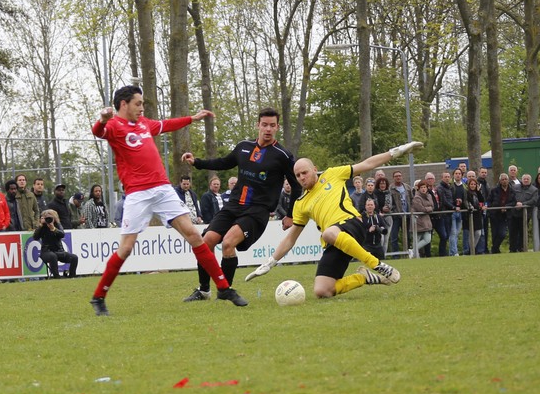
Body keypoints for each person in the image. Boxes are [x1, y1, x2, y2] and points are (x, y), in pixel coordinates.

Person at [88, 84, 246, 315]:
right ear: (123, 104)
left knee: (194, 235)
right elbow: (98, 132)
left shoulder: (144, 123)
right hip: (138, 194)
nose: (142, 108)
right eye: (138, 104)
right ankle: (98, 297)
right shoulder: (113, 125)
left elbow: (168, 124)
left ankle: (223, 288)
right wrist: (102, 119)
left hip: (162, 189)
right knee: (126, 248)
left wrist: (193, 118)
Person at [245, 145, 420, 300]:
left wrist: (395, 152)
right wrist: (270, 262)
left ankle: (377, 265)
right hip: (334, 240)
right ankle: (364, 277)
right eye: (298, 175)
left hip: (352, 224)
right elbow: (291, 238)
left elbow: (367, 164)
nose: (301, 178)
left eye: (304, 173)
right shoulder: (300, 204)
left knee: (328, 233)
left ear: (314, 169)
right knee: (322, 290)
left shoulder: (332, 174)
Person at [179, 107, 299, 302]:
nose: (268, 129)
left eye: (272, 125)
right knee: (206, 241)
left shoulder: (282, 155)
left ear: (277, 127)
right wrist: (197, 162)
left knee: (228, 243)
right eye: (264, 125)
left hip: (257, 211)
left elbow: (296, 185)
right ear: (258, 125)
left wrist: (291, 214)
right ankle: (204, 290)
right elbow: (223, 162)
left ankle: (224, 290)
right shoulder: (244, 146)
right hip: (233, 206)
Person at [32, 209, 79, 277]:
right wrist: (40, 225)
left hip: (59, 251)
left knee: (74, 257)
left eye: (50, 218)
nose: (49, 220)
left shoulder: (57, 225)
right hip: (46, 252)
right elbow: (35, 237)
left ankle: (72, 276)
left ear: (54, 218)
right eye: (47, 218)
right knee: (53, 256)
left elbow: (62, 234)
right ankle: (56, 276)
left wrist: (53, 228)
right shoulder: (42, 227)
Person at [486, 173, 516, 254]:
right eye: (502, 179)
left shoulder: (512, 190)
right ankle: (496, 250)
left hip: (506, 215)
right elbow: (489, 201)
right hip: (495, 214)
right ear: (500, 181)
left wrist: (506, 207)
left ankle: (494, 248)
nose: (504, 181)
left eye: (506, 179)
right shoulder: (494, 190)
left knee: (502, 233)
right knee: (495, 233)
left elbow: (514, 202)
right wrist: (494, 209)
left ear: (508, 180)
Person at [410, 177, 434, 257]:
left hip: (426, 221)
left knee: (427, 239)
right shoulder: (416, 197)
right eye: (422, 187)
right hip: (418, 221)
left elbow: (432, 206)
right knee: (416, 240)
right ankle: (414, 255)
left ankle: (412, 251)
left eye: (425, 187)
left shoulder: (429, 196)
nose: (423, 189)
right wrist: (429, 209)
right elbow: (421, 209)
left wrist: (428, 208)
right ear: (418, 188)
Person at [463, 174, 486, 255]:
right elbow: (467, 203)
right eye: (471, 184)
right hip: (470, 215)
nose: (473, 186)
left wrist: (478, 191)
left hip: (477, 215)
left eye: (474, 184)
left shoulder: (477, 193)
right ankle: (470, 250)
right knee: (471, 234)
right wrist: (476, 207)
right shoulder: (467, 193)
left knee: (478, 233)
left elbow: (482, 200)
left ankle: (472, 249)